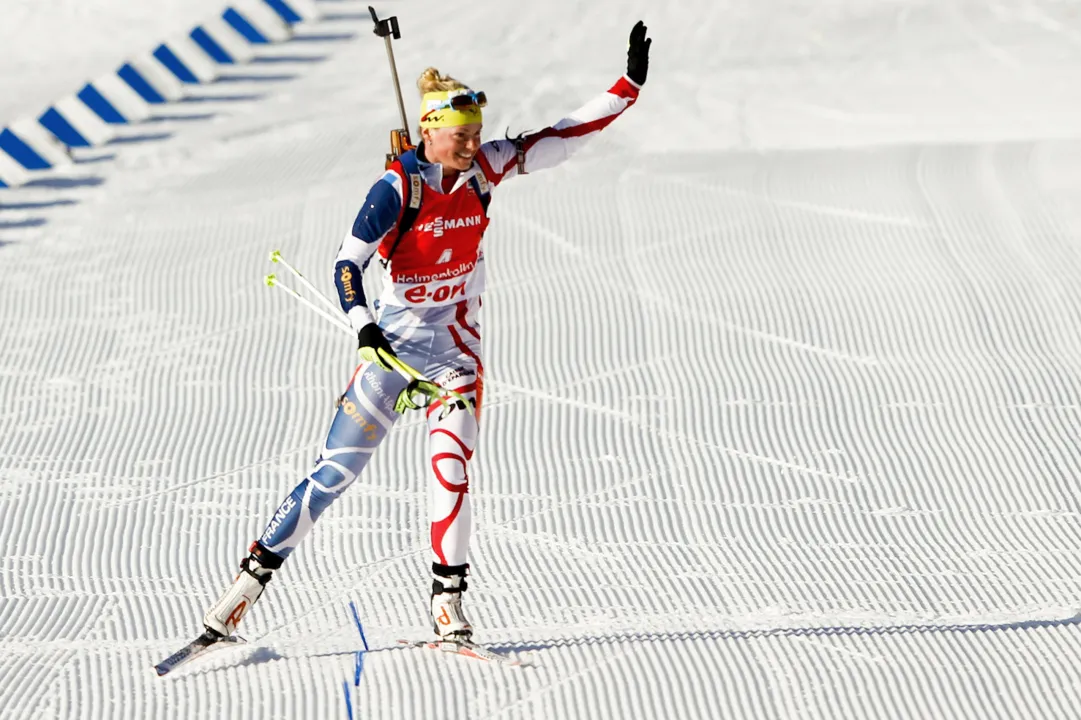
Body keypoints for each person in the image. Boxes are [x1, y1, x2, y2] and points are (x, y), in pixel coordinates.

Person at [201, 21, 653, 644]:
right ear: (430, 131)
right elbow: (345, 263)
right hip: (391, 350)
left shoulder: (488, 170)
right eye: (460, 137)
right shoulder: (397, 187)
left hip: (454, 356)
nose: (472, 146)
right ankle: (245, 587)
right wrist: (364, 331)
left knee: (451, 465)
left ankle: (448, 600)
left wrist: (627, 87)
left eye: (476, 136)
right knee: (335, 472)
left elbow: (563, 136)